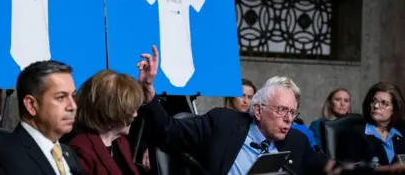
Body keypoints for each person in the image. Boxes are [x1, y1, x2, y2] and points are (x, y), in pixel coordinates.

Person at [136, 45, 328, 175]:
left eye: (292, 113)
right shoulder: (223, 124)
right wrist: (149, 93)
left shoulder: (296, 141)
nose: (289, 119)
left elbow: (324, 167)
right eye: (282, 110)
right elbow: (170, 129)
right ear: (259, 110)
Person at [0, 60, 86, 175]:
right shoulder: (5, 157)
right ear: (31, 105)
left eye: (73, 96)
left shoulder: (69, 154)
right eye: (61, 97)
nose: (73, 106)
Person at [69, 70, 143, 175]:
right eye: (131, 109)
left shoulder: (121, 142)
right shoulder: (81, 150)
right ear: (111, 111)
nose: (135, 115)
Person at [337, 82, 405, 166]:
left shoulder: (401, 132)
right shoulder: (353, 133)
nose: (376, 106)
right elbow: (351, 170)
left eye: (384, 103)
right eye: (373, 101)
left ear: (394, 110)